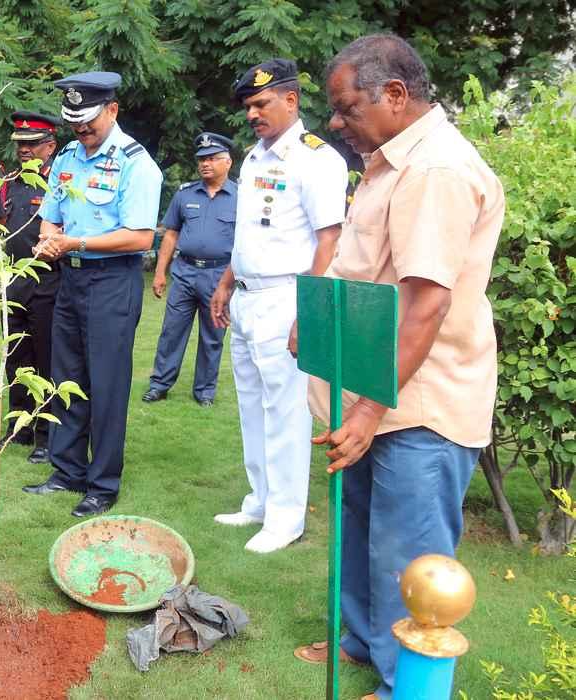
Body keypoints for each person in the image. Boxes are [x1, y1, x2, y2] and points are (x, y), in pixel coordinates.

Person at [291, 35, 505, 700]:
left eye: (346, 107)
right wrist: (316, 318)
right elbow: (367, 269)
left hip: (419, 405)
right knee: (360, 531)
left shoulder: (435, 169)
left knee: (409, 556)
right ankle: (363, 640)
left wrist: (367, 410)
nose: (334, 121)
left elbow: (425, 304)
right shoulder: (390, 163)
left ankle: (402, 685)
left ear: (394, 94)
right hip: (378, 393)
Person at [209, 58, 348, 554]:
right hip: (248, 296)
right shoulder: (252, 158)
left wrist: (309, 311)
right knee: (252, 406)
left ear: (291, 100)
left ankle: (286, 518)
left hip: (287, 297)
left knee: (286, 411)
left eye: (261, 103)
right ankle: (261, 501)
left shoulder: (316, 160)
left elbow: (330, 240)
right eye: (248, 106)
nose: (252, 114)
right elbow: (248, 234)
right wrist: (226, 283)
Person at [25, 71, 163, 517]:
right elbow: (51, 214)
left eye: (88, 121)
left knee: (106, 384)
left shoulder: (135, 164)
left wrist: (75, 243)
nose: (81, 129)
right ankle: (67, 471)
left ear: (113, 110)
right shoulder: (67, 157)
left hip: (112, 283)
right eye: (74, 122)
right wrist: (49, 239)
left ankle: (102, 484)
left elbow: (141, 237)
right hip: (70, 280)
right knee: (66, 378)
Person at [0, 111, 61, 463]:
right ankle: (19, 428)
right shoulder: (8, 182)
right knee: (16, 358)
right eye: (20, 144)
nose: (24, 149)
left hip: (48, 281)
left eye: (32, 143)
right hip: (14, 280)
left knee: (46, 360)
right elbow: (1, 225)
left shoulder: (59, 183)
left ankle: (46, 434)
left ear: (50, 146)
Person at [143, 132, 237, 407]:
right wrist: (160, 272)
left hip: (219, 275)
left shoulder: (241, 197)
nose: (205, 164)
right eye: (201, 159)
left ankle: (204, 391)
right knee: (171, 332)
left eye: (212, 158)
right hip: (184, 273)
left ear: (228, 162)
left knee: (213, 336)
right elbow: (171, 234)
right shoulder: (185, 194)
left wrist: (231, 281)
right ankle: (159, 385)